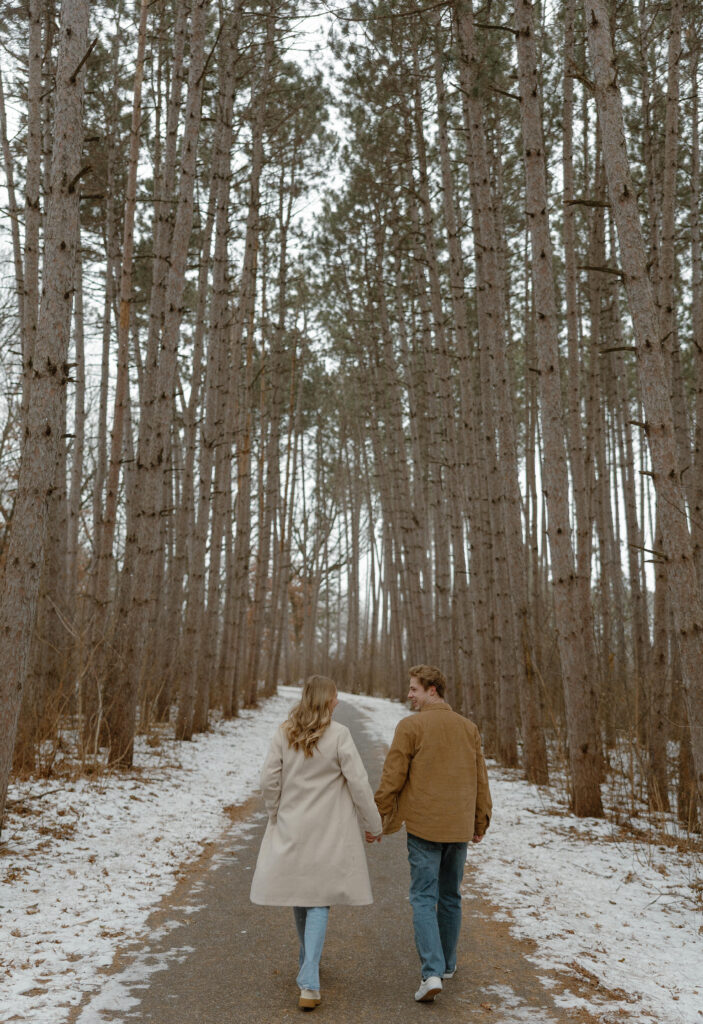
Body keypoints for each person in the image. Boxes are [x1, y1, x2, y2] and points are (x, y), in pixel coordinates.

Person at [250, 675, 382, 1011]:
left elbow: (268, 779)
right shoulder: (339, 735)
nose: (338, 700)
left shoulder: (285, 732)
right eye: (335, 695)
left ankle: (308, 962)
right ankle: (309, 978)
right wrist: (373, 824)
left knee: (302, 894)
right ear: (326, 699)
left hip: (292, 827)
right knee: (318, 899)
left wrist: (275, 811)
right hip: (328, 832)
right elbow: (359, 783)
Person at [371, 664, 492, 1003]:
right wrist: (480, 821)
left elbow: (392, 777)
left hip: (424, 827)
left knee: (424, 898)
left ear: (432, 690)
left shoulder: (411, 726)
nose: (409, 695)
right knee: (451, 895)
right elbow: (480, 778)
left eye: (413, 689)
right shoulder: (468, 728)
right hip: (457, 827)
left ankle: (432, 973)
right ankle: (447, 964)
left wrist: (377, 818)